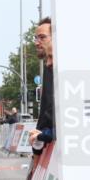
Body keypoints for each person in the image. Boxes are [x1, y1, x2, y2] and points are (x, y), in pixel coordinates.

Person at [29, 18, 55, 156]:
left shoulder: (64, 74)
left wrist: (44, 135)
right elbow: (46, 113)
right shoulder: (48, 69)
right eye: (36, 38)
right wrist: (38, 137)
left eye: (42, 37)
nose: (36, 42)